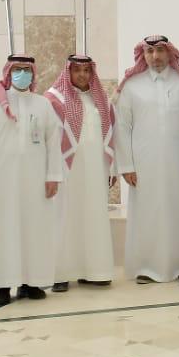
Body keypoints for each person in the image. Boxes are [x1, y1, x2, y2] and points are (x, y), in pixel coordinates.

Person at [0, 56, 62, 305]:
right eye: (17, 69)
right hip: (0, 180)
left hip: (35, 180)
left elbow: (53, 142)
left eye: (27, 70)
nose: (23, 74)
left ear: (33, 74)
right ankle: (1, 286)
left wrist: (53, 175)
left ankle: (29, 283)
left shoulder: (43, 104)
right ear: (8, 73)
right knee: (1, 230)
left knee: (33, 230)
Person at [115, 35, 179, 283]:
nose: (155, 56)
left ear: (169, 52)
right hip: (144, 164)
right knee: (147, 213)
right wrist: (127, 165)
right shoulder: (132, 86)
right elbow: (123, 128)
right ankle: (146, 266)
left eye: (160, 50)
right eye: (150, 51)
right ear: (144, 55)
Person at [46, 54, 115, 293]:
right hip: (66, 170)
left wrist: (112, 167)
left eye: (87, 71)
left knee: (94, 215)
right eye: (77, 70)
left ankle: (94, 271)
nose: (83, 75)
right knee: (65, 217)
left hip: (96, 170)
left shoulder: (102, 101)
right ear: (69, 72)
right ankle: (61, 273)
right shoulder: (54, 99)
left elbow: (110, 136)